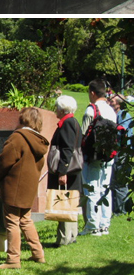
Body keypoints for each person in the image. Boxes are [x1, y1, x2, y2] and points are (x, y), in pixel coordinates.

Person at [0, 107, 49, 271]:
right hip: (29, 187)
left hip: (13, 186)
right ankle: (38, 253)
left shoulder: (18, 138)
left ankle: (13, 259)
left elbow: (4, 161)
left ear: (23, 120)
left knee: (12, 222)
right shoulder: (38, 140)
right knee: (25, 220)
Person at [80, 78, 117, 236]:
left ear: (93, 93)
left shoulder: (91, 110)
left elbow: (83, 134)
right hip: (108, 156)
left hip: (93, 156)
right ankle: (104, 224)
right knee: (105, 189)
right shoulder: (111, 111)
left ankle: (92, 226)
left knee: (92, 190)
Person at [47, 93, 83, 245]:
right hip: (73, 170)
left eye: (57, 107)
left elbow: (67, 149)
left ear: (62, 109)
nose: (55, 109)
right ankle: (71, 235)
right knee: (70, 201)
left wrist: (63, 171)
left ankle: (64, 238)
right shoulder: (73, 121)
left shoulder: (67, 123)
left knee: (64, 201)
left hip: (67, 170)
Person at [110, 95, 133, 215]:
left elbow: (125, 134)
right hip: (117, 152)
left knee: (120, 182)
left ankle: (121, 211)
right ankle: (116, 209)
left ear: (119, 104)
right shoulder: (115, 115)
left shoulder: (124, 115)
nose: (109, 102)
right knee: (114, 182)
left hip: (122, 153)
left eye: (112, 101)